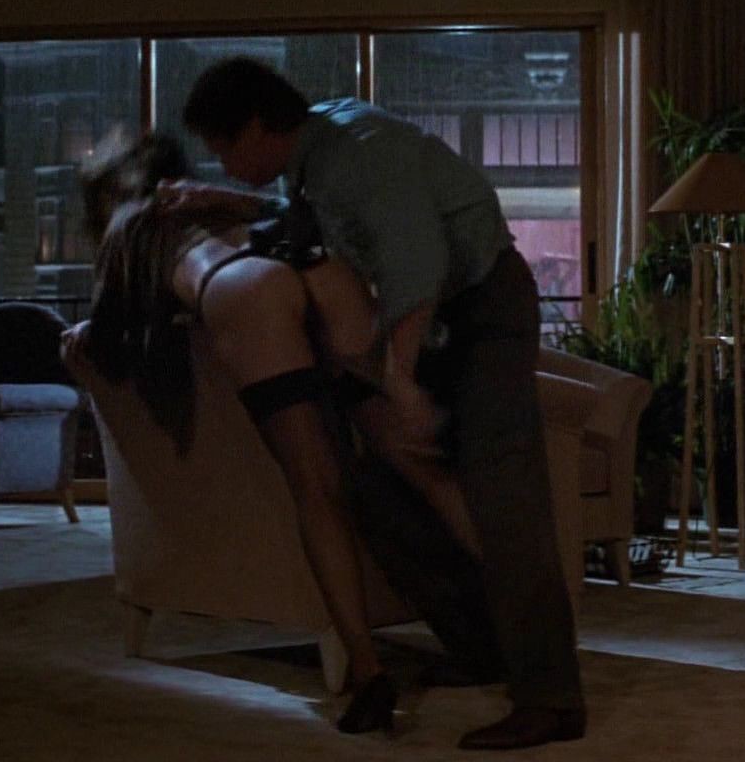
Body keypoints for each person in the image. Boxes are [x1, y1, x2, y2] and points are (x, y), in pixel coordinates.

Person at [163, 56, 585, 751]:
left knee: (502, 494)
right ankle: (482, 649)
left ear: (259, 126)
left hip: (482, 307)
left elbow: (417, 266)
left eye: (223, 147)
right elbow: (322, 223)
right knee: (379, 487)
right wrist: (224, 203)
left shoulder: (357, 153)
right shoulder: (314, 158)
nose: (222, 162)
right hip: (438, 317)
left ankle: (551, 699)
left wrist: (400, 381)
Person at [77, 133, 482, 734]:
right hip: (314, 270)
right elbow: (297, 219)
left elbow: (109, 338)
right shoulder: (205, 199)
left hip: (245, 289)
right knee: (420, 457)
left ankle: (367, 672)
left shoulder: (129, 226)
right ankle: (519, 627)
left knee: (317, 491)